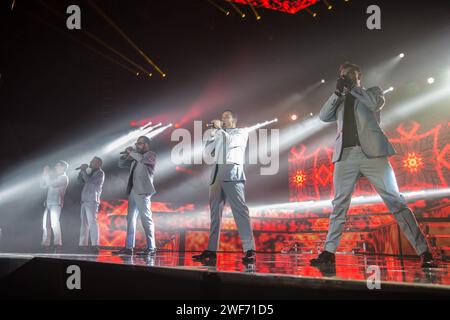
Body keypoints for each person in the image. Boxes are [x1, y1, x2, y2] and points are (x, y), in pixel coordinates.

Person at [310, 62, 437, 268]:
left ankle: (424, 251)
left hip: (373, 154)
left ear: (359, 76)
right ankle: (328, 252)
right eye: (343, 76)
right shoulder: (340, 99)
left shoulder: (372, 92)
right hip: (345, 155)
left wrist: (354, 88)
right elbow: (323, 116)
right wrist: (337, 92)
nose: (347, 78)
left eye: (350, 75)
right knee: (339, 205)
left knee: (395, 201)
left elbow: (374, 104)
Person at [193, 110, 256, 264]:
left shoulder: (241, 132)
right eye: (222, 118)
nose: (223, 119)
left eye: (226, 117)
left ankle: (250, 249)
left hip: (232, 173)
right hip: (216, 175)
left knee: (240, 211)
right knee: (215, 214)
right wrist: (213, 134)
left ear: (234, 119)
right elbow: (207, 152)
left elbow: (230, 143)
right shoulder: (220, 133)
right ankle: (211, 250)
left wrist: (220, 130)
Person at [112, 136, 157, 256]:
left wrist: (131, 152)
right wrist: (126, 155)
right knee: (130, 219)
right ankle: (128, 247)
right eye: (136, 143)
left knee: (146, 219)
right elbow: (121, 164)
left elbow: (142, 159)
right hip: (133, 191)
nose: (137, 145)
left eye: (140, 143)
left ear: (147, 144)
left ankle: (151, 247)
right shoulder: (136, 158)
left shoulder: (150, 155)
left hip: (143, 191)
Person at [40, 160, 69, 253]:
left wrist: (47, 174)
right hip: (49, 203)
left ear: (63, 167)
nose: (56, 167)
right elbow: (43, 186)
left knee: (54, 223)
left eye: (58, 166)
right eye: (56, 166)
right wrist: (44, 174)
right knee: (45, 224)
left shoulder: (64, 178)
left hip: (56, 203)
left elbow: (51, 184)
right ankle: (45, 243)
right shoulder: (55, 178)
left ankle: (58, 243)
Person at [77, 157, 105, 254]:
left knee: (92, 222)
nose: (90, 163)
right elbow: (80, 182)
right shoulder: (89, 173)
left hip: (92, 200)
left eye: (92, 162)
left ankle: (95, 245)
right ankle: (82, 245)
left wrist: (84, 171)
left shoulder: (100, 173)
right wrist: (81, 172)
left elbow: (89, 181)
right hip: (84, 200)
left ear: (98, 164)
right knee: (83, 224)